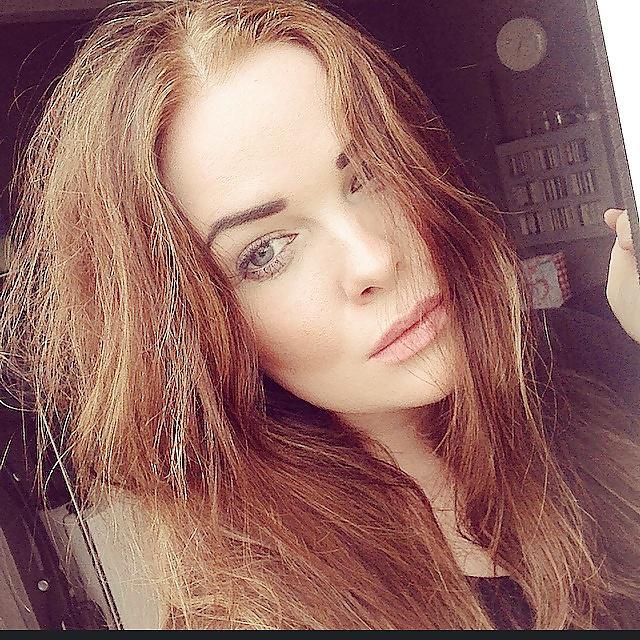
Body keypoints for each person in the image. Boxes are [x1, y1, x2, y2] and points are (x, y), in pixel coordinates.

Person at [0, 0, 638, 630]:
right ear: (190, 330)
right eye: (266, 251)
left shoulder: (586, 372)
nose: (373, 259)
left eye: (368, 175)